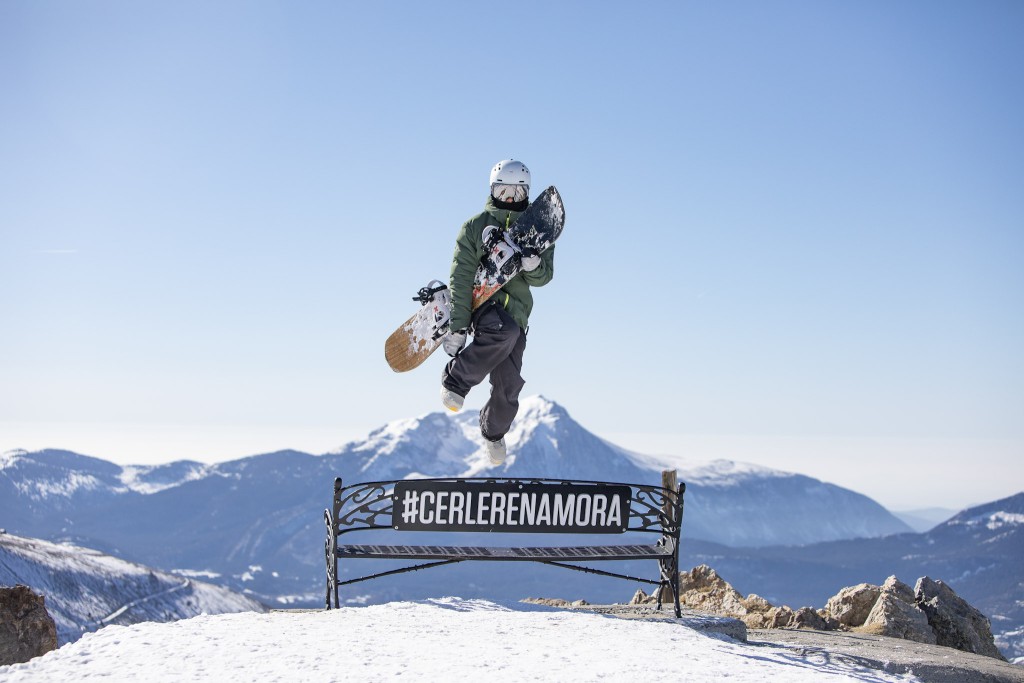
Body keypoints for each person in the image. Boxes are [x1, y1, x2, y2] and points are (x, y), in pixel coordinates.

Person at [440, 159, 555, 465]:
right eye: (503, 190)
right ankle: (455, 380)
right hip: (483, 308)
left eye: (517, 193)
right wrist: (459, 327)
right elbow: (461, 276)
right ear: (492, 189)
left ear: (526, 194)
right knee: (503, 332)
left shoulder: (538, 228)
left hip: (516, 316)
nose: (509, 198)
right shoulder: (475, 227)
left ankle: (493, 432)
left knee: (509, 387)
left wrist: (534, 266)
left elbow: (545, 277)